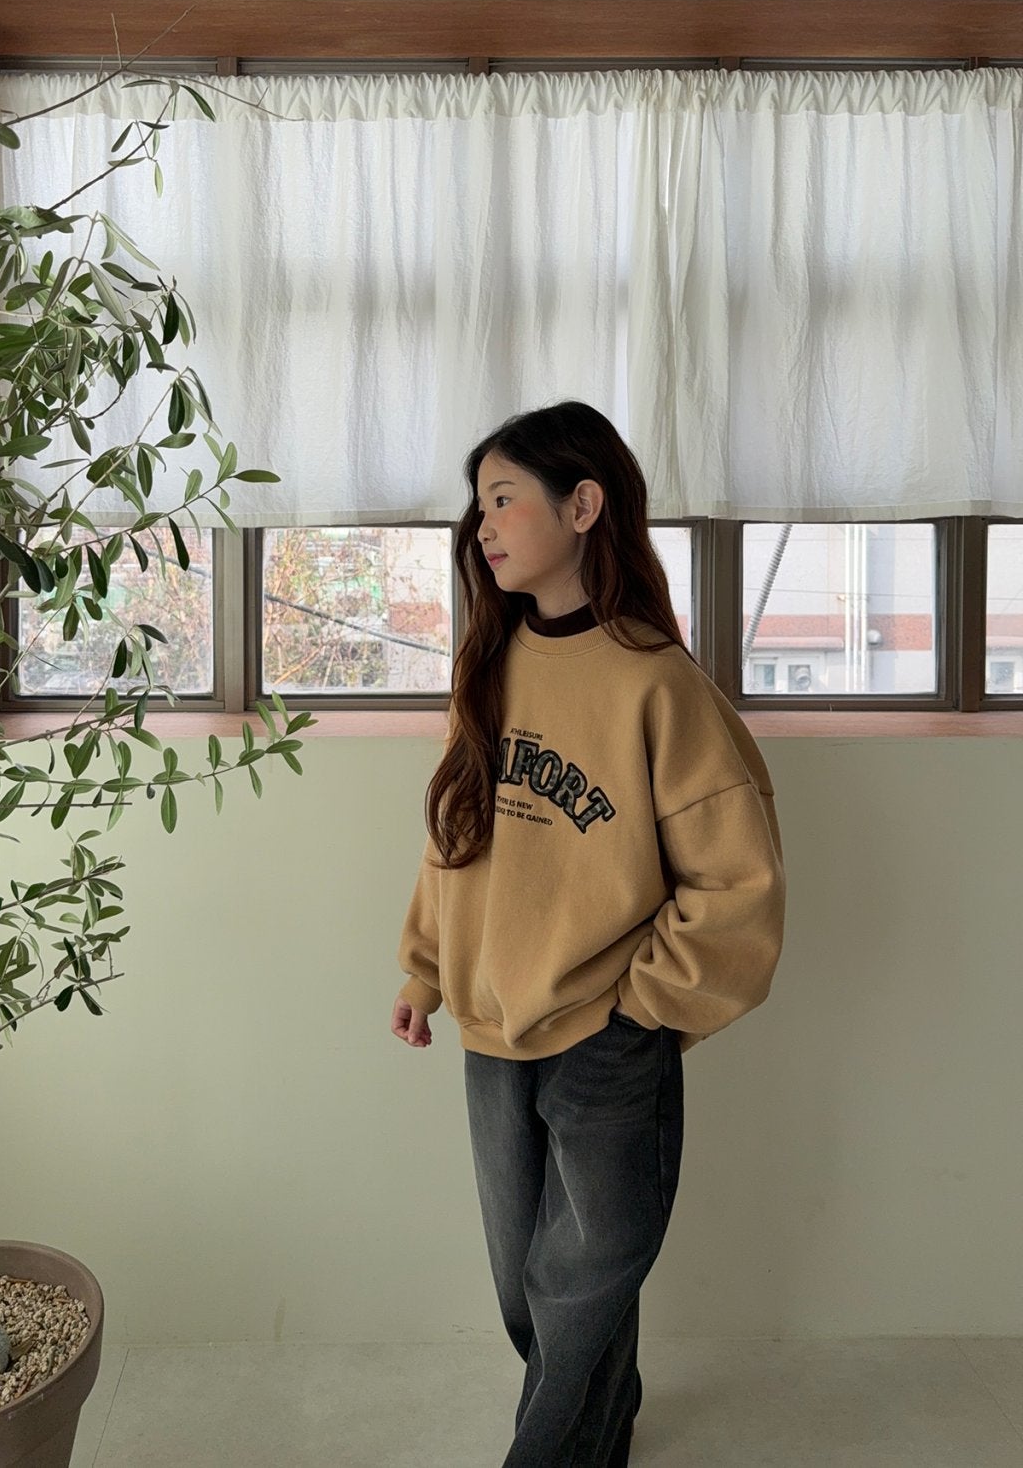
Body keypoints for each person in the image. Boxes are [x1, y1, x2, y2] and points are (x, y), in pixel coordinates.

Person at [391, 399, 786, 1468]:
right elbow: (453, 836)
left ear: (582, 505)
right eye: (477, 506)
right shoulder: (489, 661)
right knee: (527, 1286)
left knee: (581, 1279)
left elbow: (737, 881)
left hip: (607, 1037)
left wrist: (641, 1008)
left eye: (502, 499)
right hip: (491, 1026)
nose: (482, 525)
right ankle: (600, 1427)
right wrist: (425, 971)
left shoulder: (656, 682)